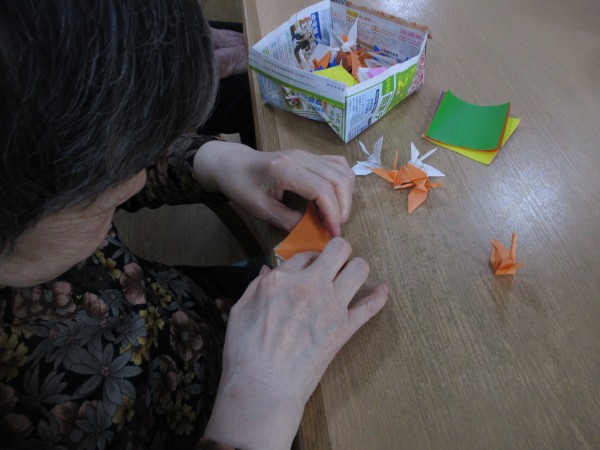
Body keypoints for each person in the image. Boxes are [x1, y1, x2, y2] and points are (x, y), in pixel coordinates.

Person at [0, 1, 388, 449]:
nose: (138, 179)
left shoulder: (34, 163)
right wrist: (262, 399)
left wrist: (214, 160)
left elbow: (84, 157)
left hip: (193, 310)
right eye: (105, 198)